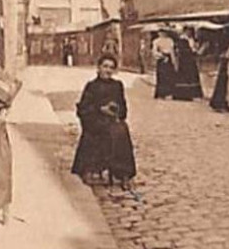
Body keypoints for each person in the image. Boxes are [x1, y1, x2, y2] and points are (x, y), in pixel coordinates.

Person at [71, 55, 136, 190]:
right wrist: (100, 109)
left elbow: (123, 108)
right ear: (99, 68)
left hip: (112, 120)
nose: (108, 70)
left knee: (122, 130)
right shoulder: (92, 86)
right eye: (105, 66)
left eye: (111, 68)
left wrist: (116, 110)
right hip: (95, 120)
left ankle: (123, 174)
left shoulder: (117, 86)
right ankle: (93, 168)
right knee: (106, 131)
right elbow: (83, 108)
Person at [173, 26, 203, 101]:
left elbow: (194, 48)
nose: (189, 32)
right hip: (184, 60)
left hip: (191, 60)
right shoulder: (182, 39)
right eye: (188, 31)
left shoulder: (192, 39)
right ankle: (182, 94)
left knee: (192, 76)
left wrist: (196, 49)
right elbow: (183, 50)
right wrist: (192, 51)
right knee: (184, 76)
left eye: (190, 31)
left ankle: (192, 94)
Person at [152, 28, 177, 99]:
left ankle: (168, 92)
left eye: (164, 32)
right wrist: (161, 56)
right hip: (161, 58)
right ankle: (161, 93)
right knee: (161, 76)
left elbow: (172, 51)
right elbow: (154, 51)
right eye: (161, 32)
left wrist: (173, 61)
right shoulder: (156, 41)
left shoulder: (170, 40)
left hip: (168, 58)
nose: (162, 34)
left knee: (169, 76)